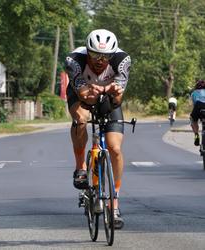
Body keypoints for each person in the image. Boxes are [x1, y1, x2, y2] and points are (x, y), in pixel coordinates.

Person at [64, 29, 131, 229]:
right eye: (95, 55)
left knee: (115, 148)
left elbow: (117, 99)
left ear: (113, 54)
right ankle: (80, 168)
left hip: (109, 100)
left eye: (105, 56)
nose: (100, 60)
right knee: (81, 119)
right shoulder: (74, 60)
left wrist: (107, 91)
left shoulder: (122, 60)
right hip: (82, 95)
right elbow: (85, 95)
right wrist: (103, 89)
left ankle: (114, 203)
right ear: (87, 51)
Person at [190, 79, 205, 146]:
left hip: (198, 106)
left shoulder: (194, 93)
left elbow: (193, 105)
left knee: (193, 120)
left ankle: (196, 135)